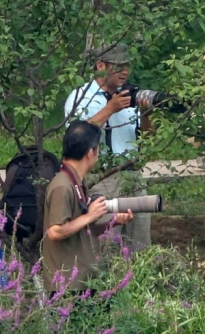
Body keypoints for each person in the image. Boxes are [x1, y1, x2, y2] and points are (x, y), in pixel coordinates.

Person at [64, 42, 152, 251]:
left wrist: (147, 113)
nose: (124, 72)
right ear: (100, 65)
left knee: (140, 243)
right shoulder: (80, 98)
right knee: (105, 244)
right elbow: (78, 137)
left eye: (127, 66)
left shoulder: (128, 97)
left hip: (132, 175)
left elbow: (145, 140)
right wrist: (110, 109)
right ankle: (106, 284)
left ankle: (139, 281)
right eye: (118, 66)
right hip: (102, 178)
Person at [42, 120, 134, 296]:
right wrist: (90, 216)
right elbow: (55, 231)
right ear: (90, 153)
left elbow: (82, 230)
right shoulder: (62, 185)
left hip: (84, 281)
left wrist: (113, 222)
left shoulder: (77, 181)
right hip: (67, 287)